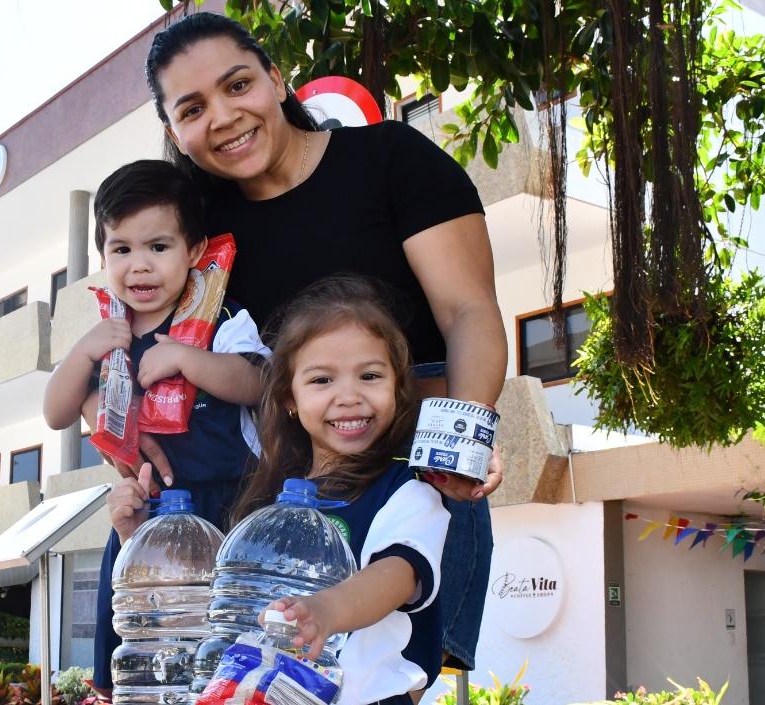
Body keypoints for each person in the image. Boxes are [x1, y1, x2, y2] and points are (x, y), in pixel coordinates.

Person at [98, 11, 508, 686]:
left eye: (237, 86)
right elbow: (136, 331)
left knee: (389, 663)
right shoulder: (192, 228)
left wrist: (458, 442)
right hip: (267, 470)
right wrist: (124, 435)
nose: (224, 116)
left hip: (413, 442)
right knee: (252, 672)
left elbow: (467, 309)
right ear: (173, 130)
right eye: (193, 108)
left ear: (276, 78)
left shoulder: (391, 160)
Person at [110, 276, 450, 705]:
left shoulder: (409, 494)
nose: (348, 396)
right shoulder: (263, 499)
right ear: (288, 397)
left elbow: (396, 576)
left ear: (398, 392)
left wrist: (325, 613)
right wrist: (137, 538)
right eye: (322, 380)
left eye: (369, 375)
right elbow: (223, 604)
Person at [41, 159, 271, 682]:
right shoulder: (107, 332)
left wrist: (190, 360)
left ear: (194, 251)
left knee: (220, 660)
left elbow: (259, 383)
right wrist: (82, 356)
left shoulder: (223, 317)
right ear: (103, 254)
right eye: (121, 249)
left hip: (227, 513)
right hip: (140, 523)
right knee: (141, 663)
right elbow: (56, 411)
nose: (139, 266)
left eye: (158, 247)